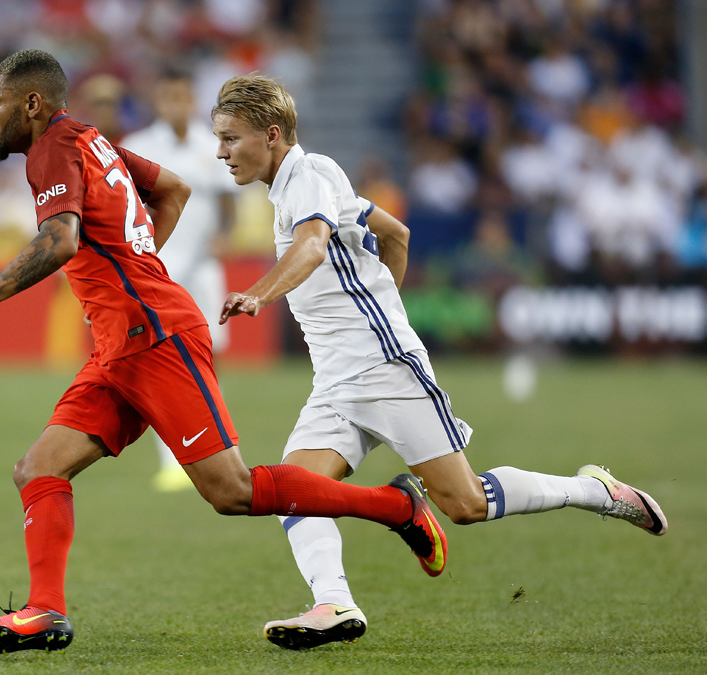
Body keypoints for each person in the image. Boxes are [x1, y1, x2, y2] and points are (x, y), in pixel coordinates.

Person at [0, 50, 450, 654]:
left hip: (154, 338)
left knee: (232, 491)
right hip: (121, 342)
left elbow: (61, 238)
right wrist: (142, 265)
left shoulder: (51, 149)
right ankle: (45, 611)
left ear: (32, 104)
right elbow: (172, 190)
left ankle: (395, 506)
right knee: (39, 468)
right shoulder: (91, 140)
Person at [212, 74, 669, 652]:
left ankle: (595, 490)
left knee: (467, 504)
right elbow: (395, 233)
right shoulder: (306, 186)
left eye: (230, 138)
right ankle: (335, 603)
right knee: (293, 491)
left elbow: (311, 245)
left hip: (383, 370)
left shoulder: (310, 174)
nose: (221, 152)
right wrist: (383, 307)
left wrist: (260, 295)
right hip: (337, 379)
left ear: (271, 134)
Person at [120, 69, 237, 493]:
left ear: (193, 101)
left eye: (182, 97)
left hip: (204, 267)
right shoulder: (139, 148)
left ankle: (213, 446)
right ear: (158, 101)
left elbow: (228, 201)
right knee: (161, 359)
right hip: (158, 271)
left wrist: (226, 233)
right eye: (168, 97)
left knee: (210, 357)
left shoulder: (214, 147)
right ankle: (172, 459)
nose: (176, 105)